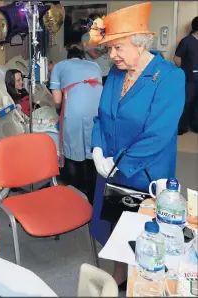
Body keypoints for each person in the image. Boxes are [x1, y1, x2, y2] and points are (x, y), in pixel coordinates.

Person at [85, 2, 185, 289]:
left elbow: (159, 134)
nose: (112, 55)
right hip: (110, 169)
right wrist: (98, 150)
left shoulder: (168, 77)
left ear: (140, 44)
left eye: (118, 47)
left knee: (144, 234)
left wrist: (119, 164)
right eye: (109, 48)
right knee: (114, 224)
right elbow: (102, 117)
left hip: (145, 173)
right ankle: (120, 271)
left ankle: (140, 280)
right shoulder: (117, 73)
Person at [49, 47, 102, 203]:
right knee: (94, 147)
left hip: (75, 110)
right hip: (98, 109)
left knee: (72, 147)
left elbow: (57, 100)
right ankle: (94, 192)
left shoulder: (60, 66)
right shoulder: (95, 66)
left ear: (68, 58)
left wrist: (58, 112)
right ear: (82, 57)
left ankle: (76, 190)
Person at [174, 16, 198, 135]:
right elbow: (177, 58)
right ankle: (181, 127)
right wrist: (185, 70)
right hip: (189, 79)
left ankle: (195, 126)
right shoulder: (187, 41)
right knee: (186, 103)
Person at [81, 13, 112, 85]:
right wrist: (105, 49)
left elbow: (111, 49)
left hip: (108, 72)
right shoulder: (87, 37)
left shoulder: (104, 36)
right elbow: (94, 55)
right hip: (95, 74)